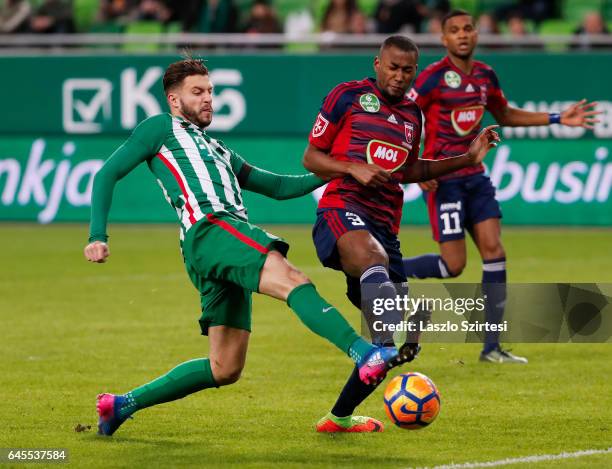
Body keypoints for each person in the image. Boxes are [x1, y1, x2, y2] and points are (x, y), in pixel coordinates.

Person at [84, 58, 415, 436]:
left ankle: (120, 405)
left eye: (210, 91)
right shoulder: (160, 128)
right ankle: (364, 353)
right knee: (292, 279)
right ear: (174, 100)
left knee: (224, 368)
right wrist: (98, 235)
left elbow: (275, 186)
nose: (208, 99)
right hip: (212, 228)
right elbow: (107, 172)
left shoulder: (217, 148)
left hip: (212, 248)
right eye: (198, 92)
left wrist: (343, 168)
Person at [303, 35, 501, 432]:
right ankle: (385, 346)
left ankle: (339, 417)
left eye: (407, 70)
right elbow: (311, 157)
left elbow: (410, 171)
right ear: (378, 63)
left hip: (384, 226)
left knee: (387, 344)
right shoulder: (347, 96)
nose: (399, 76)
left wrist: (469, 157)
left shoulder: (413, 114)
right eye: (392, 67)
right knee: (374, 271)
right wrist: (351, 168)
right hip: (341, 209)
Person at [402, 10, 600, 363]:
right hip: (444, 180)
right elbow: (405, 114)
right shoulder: (432, 79)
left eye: (468, 28)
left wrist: (558, 118)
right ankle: (390, 269)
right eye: (454, 30)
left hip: (476, 179)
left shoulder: (484, 75)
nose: (462, 35)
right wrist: (416, 163)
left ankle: (491, 348)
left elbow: (505, 114)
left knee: (495, 252)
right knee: (453, 266)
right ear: (444, 39)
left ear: (476, 34)